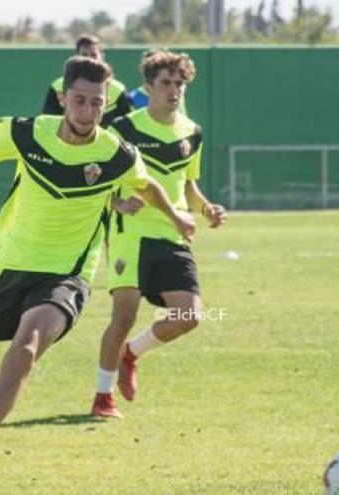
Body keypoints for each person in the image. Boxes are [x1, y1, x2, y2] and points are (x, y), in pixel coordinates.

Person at [0, 55, 196, 490]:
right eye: (78, 101)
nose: (86, 112)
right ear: (62, 98)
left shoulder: (116, 153)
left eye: (96, 104)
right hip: (8, 267)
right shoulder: (23, 133)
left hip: (66, 276)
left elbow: (146, 182)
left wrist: (177, 217)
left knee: (25, 350)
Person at [91, 50, 227, 418]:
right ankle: (103, 397)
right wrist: (117, 203)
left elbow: (189, 186)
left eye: (179, 83)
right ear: (148, 87)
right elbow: (97, 177)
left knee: (190, 316)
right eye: (166, 83)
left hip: (174, 232)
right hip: (131, 234)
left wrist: (206, 208)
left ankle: (131, 354)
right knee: (124, 314)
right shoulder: (124, 129)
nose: (174, 90)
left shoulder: (192, 132)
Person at [41, 34, 131, 127]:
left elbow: (125, 127)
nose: (89, 58)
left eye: (93, 55)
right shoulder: (57, 86)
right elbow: (48, 121)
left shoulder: (118, 90)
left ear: (102, 56)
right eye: (84, 55)